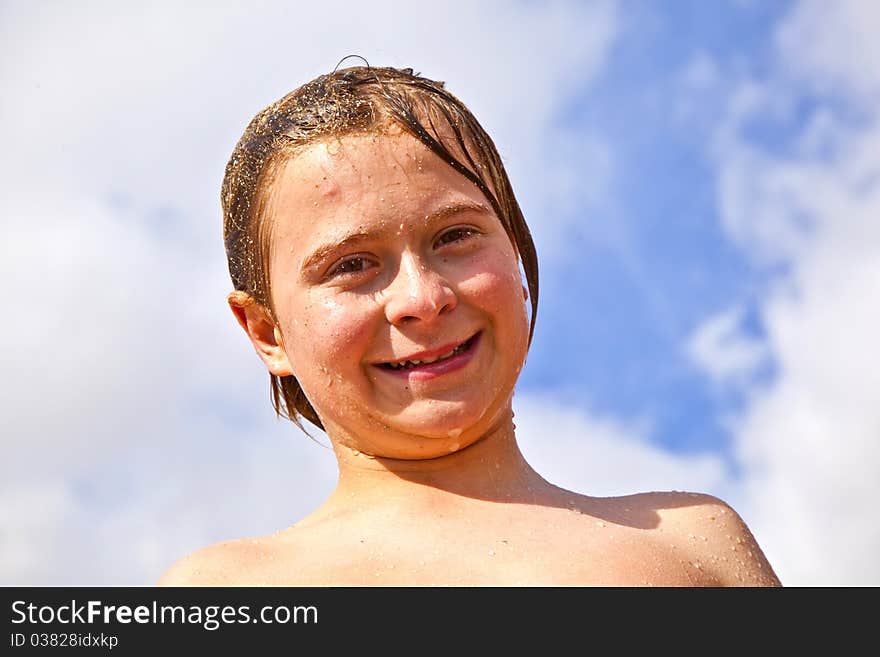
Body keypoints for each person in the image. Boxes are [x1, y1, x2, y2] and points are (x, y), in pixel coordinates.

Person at [158, 65, 781, 586]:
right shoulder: (227, 592)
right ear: (267, 333)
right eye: (352, 265)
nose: (422, 298)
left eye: (455, 236)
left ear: (514, 249)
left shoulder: (693, 549)